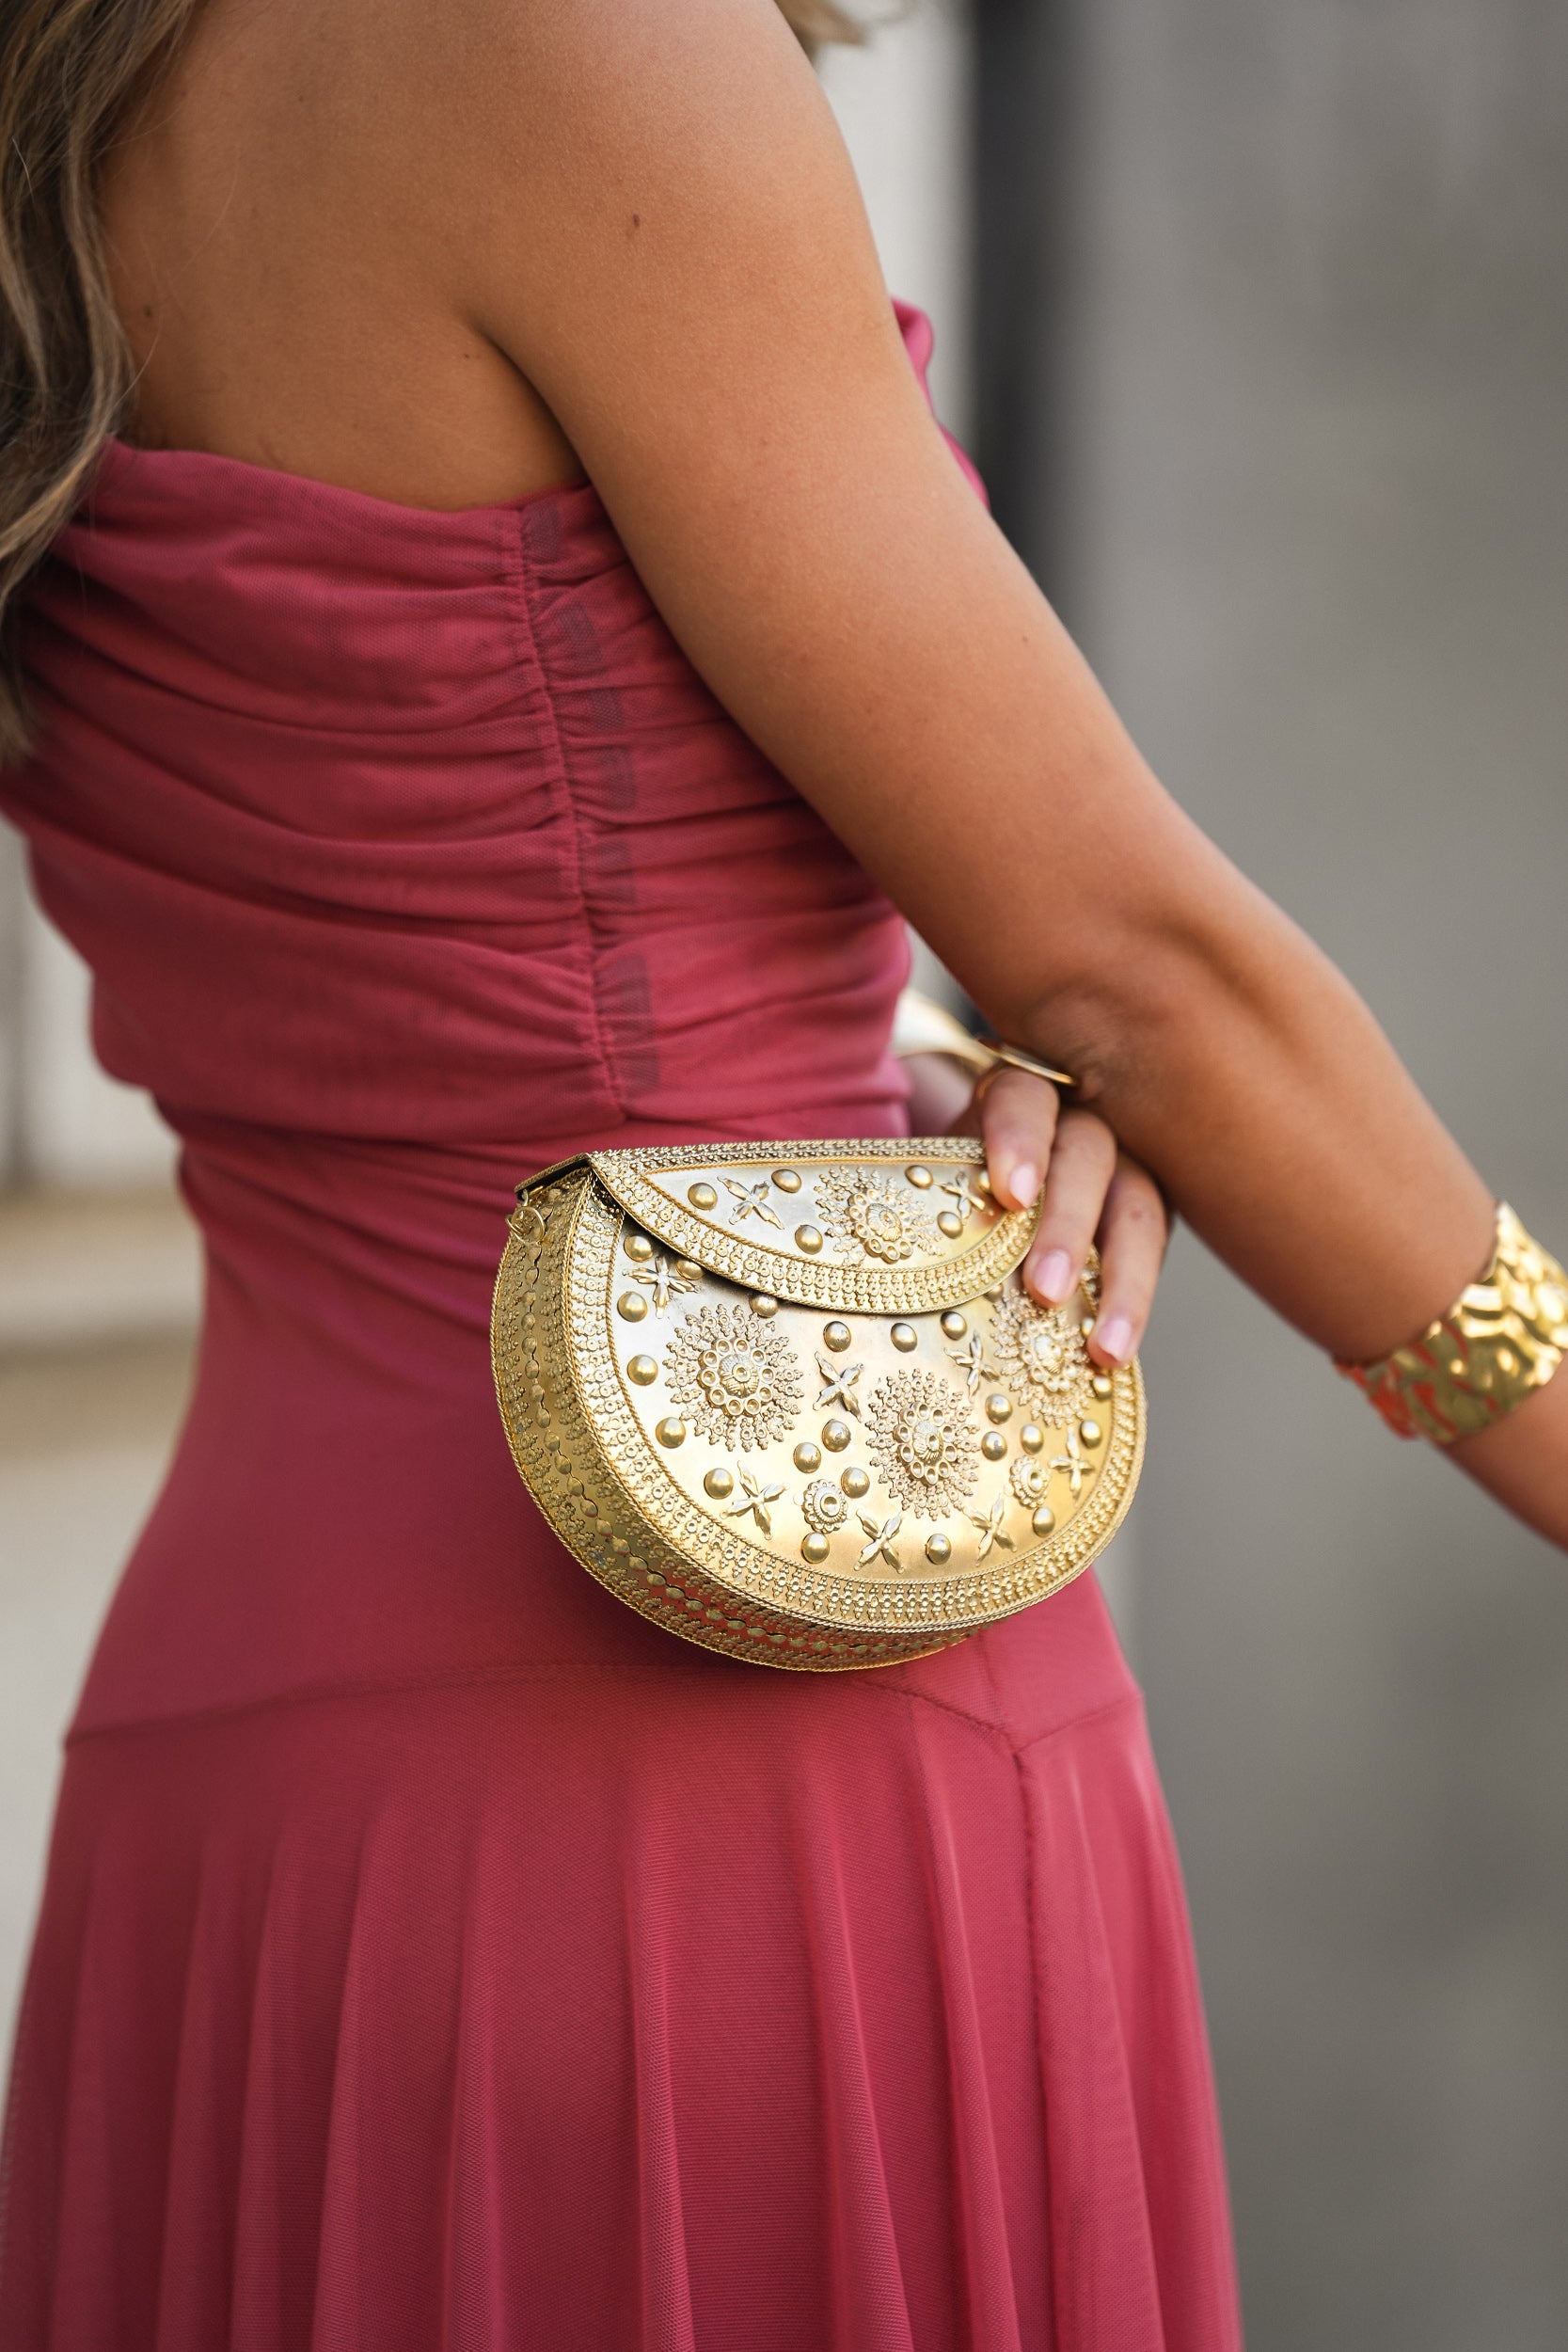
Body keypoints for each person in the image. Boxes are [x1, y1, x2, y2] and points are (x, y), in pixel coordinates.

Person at [0, 0, 1562, 2344]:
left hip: (251, 1776)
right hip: (739, 1752)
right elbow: (1139, 968)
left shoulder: (70, 92)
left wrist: (871, 1065)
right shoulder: (558, 41)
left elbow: (429, 891)